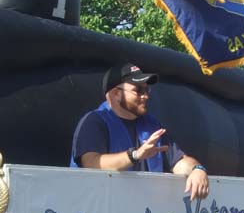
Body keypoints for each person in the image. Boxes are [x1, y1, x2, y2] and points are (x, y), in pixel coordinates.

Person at [70, 63, 209, 200]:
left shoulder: (152, 125)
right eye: (138, 90)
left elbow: (178, 162)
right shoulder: (94, 122)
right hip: (100, 212)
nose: (145, 96)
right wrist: (135, 155)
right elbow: (92, 164)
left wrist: (197, 169)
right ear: (115, 94)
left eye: (146, 91)